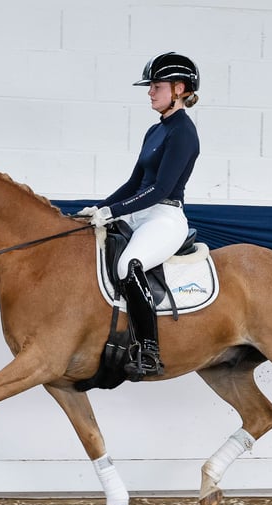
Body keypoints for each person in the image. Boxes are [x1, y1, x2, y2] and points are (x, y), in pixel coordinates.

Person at [78, 52, 200, 380]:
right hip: (138, 213)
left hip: (164, 217)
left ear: (179, 89)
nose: (149, 92)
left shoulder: (184, 133)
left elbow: (160, 189)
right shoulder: (154, 131)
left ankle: (148, 350)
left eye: (155, 86)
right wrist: (97, 209)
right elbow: (134, 183)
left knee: (128, 265)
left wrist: (113, 211)